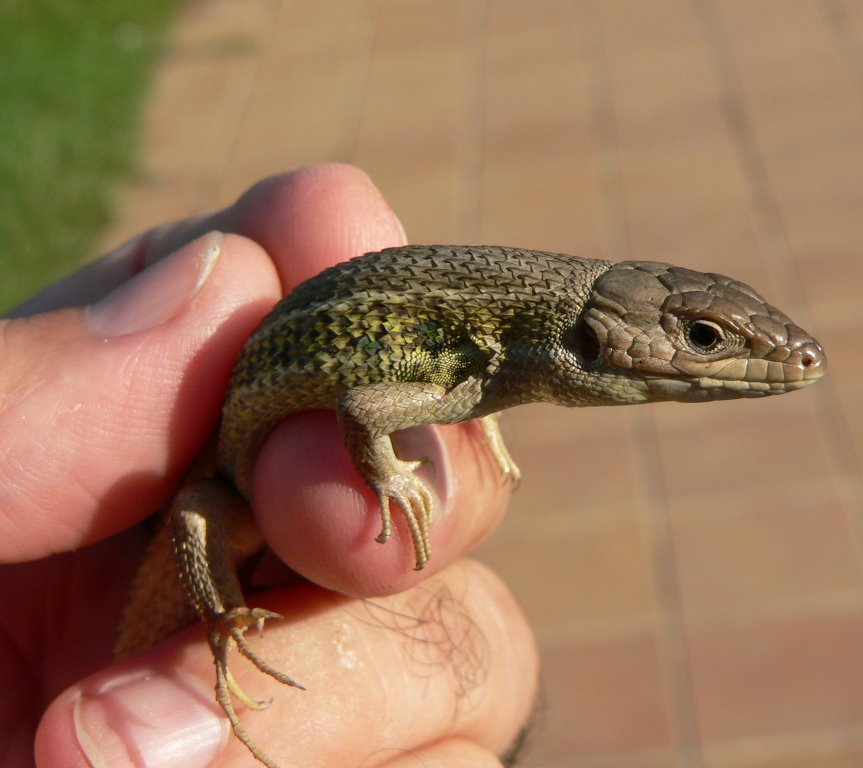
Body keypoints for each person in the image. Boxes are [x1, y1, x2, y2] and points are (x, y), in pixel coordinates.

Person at [1, 165, 539, 767]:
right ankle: (225, 621)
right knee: (221, 517)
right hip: (213, 487)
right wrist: (387, 474)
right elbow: (361, 406)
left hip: (216, 514)